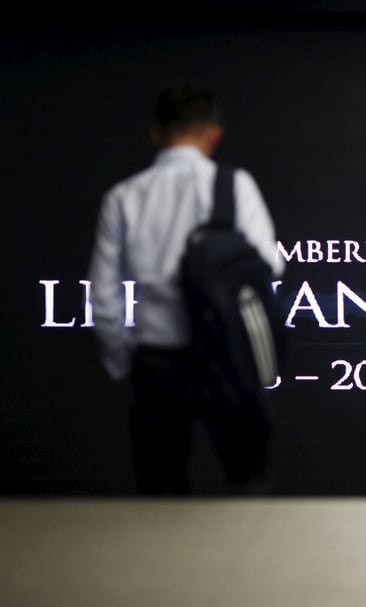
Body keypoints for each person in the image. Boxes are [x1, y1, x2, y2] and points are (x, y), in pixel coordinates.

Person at [88, 81, 285, 495]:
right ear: (214, 133)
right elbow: (270, 266)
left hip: (157, 360)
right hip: (226, 356)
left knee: (160, 490)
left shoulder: (123, 197)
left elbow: (103, 298)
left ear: (157, 134)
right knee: (250, 484)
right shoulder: (234, 186)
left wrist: (126, 358)